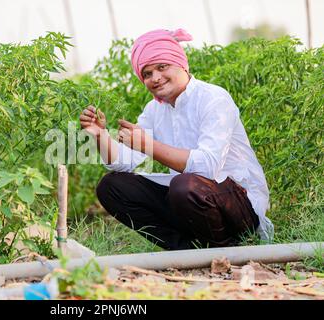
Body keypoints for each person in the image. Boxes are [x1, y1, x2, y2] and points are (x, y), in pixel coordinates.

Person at [79, 28, 273, 250]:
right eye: (147, 74)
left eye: (162, 67)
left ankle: (226, 248)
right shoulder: (154, 110)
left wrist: (149, 145)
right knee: (112, 186)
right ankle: (185, 250)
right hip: (191, 200)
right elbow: (124, 161)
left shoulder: (213, 98)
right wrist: (100, 135)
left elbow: (208, 167)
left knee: (184, 185)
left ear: (182, 64)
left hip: (238, 206)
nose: (156, 78)